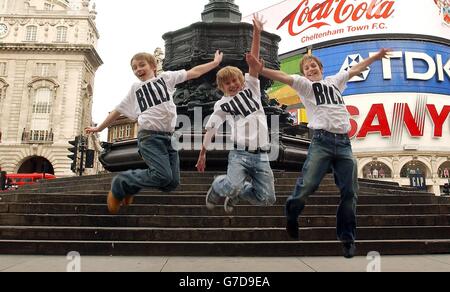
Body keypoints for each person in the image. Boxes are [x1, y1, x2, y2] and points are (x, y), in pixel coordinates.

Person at [247, 47, 392, 258]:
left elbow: (355, 69)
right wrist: (262, 70)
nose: (310, 69)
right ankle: (292, 214)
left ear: (321, 68)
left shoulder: (335, 82)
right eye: (307, 68)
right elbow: (285, 77)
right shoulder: (305, 87)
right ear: (304, 73)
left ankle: (347, 238)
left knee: (350, 192)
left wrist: (376, 57)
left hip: (343, 144)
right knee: (307, 185)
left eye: (313, 65)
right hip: (321, 142)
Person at [86, 50, 223, 214]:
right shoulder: (135, 89)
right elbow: (117, 110)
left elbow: (193, 73)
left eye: (141, 65)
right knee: (163, 176)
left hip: (168, 138)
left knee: (172, 182)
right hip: (149, 137)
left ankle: (130, 186)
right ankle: (121, 183)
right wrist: (99, 128)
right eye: (134, 68)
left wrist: (214, 64)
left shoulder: (166, 79)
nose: (138, 70)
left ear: (153, 66)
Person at [196, 14, 276, 213]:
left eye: (234, 81)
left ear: (241, 80)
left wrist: (257, 32)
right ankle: (217, 187)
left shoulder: (252, 86)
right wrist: (203, 152)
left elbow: (253, 61)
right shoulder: (222, 104)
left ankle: (238, 194)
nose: (232, 85)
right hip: (239, 153)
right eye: (227, 83)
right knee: (231, 185)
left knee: (267, 199)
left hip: (262, 155)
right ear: (221, 86)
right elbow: (211, 128)